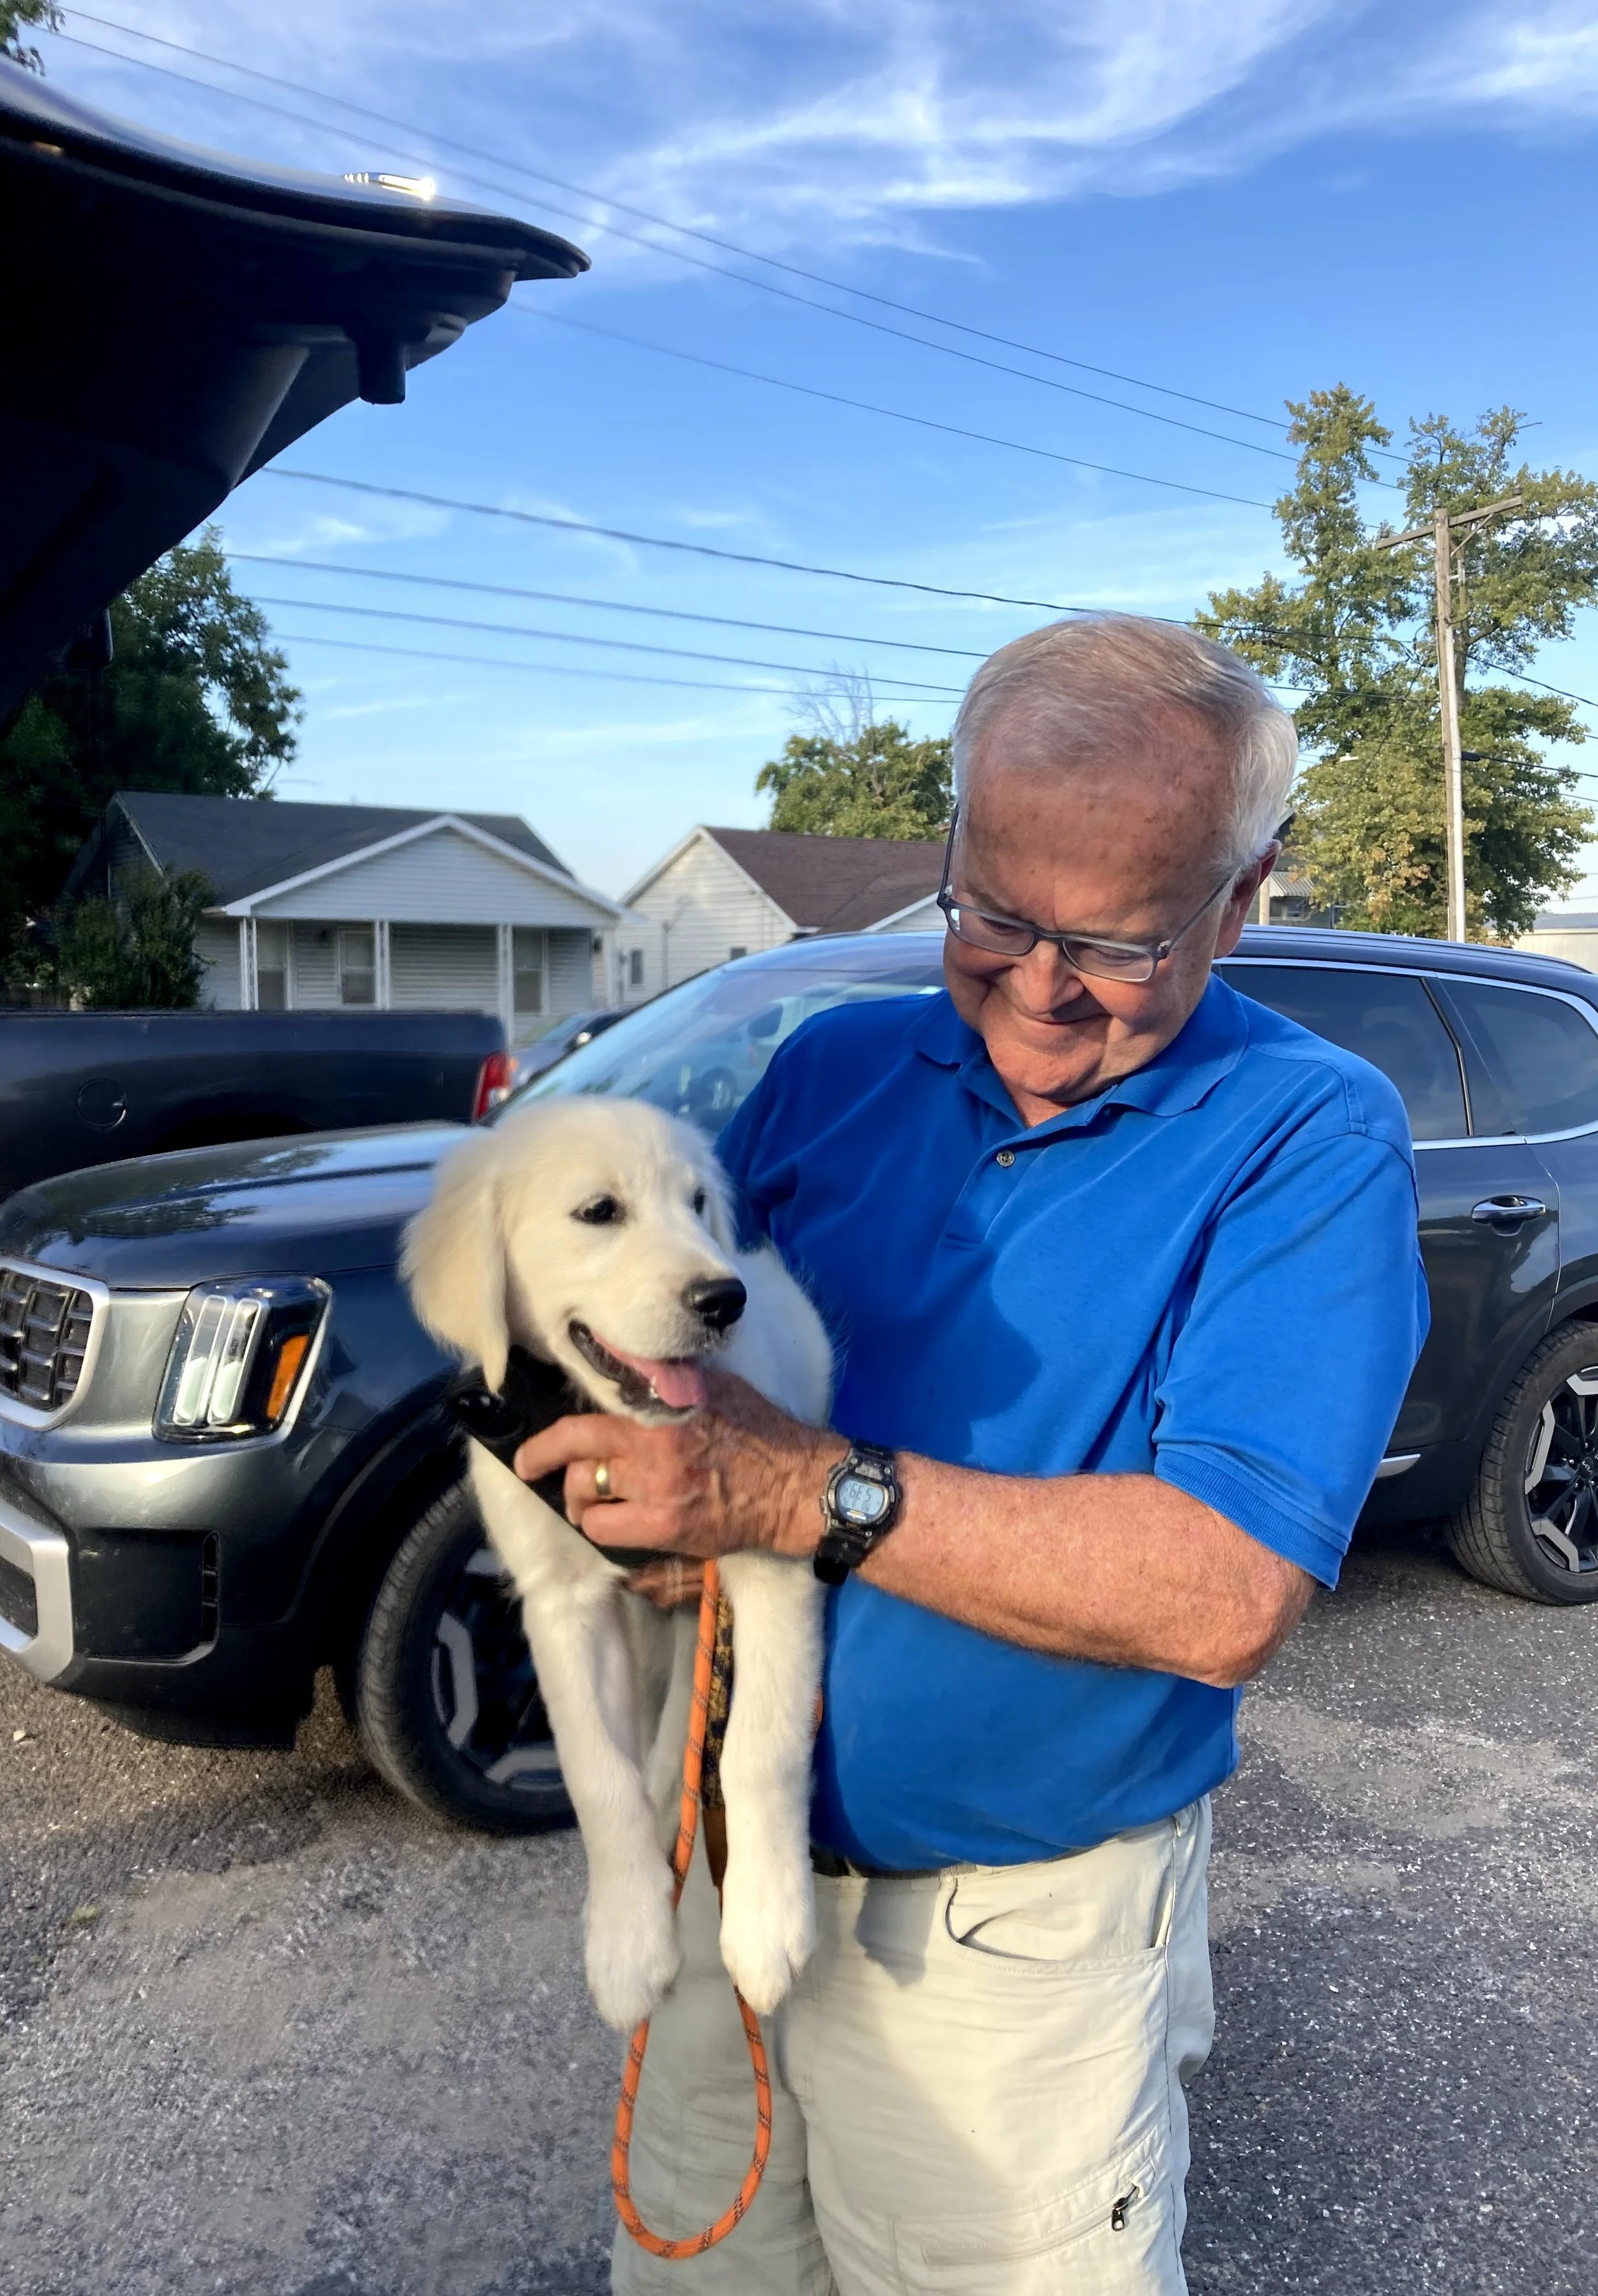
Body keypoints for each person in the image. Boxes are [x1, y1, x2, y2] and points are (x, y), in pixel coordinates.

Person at [516, 614, 1429, 2295]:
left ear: (1237, 902)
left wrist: (801, 1491)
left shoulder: (1309, 1136)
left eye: (1116, 945)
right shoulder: (826, 1068)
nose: (1033, 984)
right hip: (731, 1866)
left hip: (1003, 1941)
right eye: (994, 915)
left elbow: (1222, 1589)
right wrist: (622, 1499)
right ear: (948, 846)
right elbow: (664, 1363)